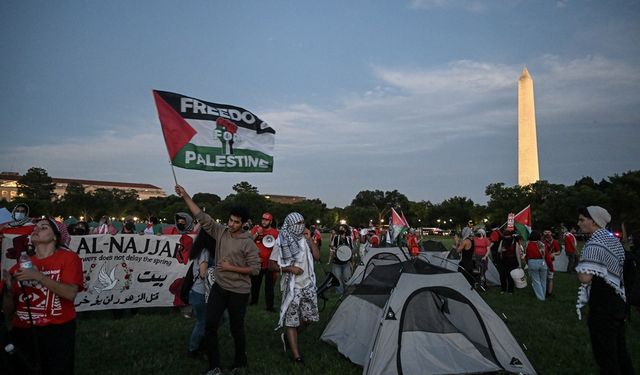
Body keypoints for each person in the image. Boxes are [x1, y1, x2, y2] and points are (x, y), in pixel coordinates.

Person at [175, 185, 260, 375]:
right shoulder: (220, 232)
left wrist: (232, 268)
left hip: (238, 292)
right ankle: (214, 367)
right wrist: (186, 196)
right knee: (210, 325)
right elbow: (201, 216)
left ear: (244, 223)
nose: (232, 224)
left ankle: (240, 362)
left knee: (236, 328)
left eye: (236, 222)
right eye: (230, 220)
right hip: (219, 288)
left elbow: (255, 269)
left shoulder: (248, 242)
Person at [2, 218, 84, 375]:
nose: (36, 230)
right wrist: (8, 290)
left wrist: (38, 276)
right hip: (23, 331)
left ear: (55, 237)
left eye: (44, 227)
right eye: (36, 227)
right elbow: (8, 310)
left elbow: (70, 293)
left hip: (57, 331)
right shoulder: (19, 266)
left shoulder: (69, 259)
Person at [575, 206, 634, 374]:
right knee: (620, 351)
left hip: (602, 306)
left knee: (606, 356)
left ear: (593, 221)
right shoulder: (613, 241)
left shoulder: (594, 243)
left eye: (582, 219)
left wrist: (580, 265)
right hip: (617, 301)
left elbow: (585, 277)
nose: (578, 223)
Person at [268, 214, 320, 363]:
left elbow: (316, 257)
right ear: (290, 224)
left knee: (309, 318)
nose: (301, 225)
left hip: (308, 284)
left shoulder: (305, 240)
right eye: (298, 222)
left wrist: (310, 239)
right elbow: (271, 266)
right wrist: (290, 269)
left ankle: (288, 337)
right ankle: (296, 356)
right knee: (291, 321)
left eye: (303, 222)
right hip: (292, 287)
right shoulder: (281, 242)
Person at [187, 229, 216, 358]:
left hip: (200, 292)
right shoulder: (205, 251)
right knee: (202, 322)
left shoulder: (201, 249)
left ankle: (202, 341)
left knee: (209, 321)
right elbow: (204, 274)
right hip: (201, 292)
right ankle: (193, 349)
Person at [250, 212, 279, 311]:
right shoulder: (255, 229)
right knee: (254, 284)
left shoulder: (275, 233)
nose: (264, 221)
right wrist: (257, 233)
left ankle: (269, 306)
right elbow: (248, 241)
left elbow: (278, 247)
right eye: (263, 219)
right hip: (257, 262)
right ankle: (254, 301)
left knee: (269, 286)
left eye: (266, 220)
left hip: (269, 263)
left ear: (270, 221)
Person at [523, 230, 549, 301]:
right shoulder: (542, 244)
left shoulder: (528, 244)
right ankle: (543, 295)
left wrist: (527, 263)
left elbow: (526, 255)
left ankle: (541, 298)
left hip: (532, 262)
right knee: (543, 280)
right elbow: (546, 255)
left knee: (536, 281)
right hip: (542, 262)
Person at [329, 225, 353, 295]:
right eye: (340, 228)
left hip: (346, 262)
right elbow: (331, 246)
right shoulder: (336, 238)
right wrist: (334, 250)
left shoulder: (349, 239)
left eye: (342, 228)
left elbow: (351, 250)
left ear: (346, 230)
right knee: (337, 278)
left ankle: (347, 293)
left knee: (347, 278)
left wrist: (350, 260)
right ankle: (339, 293)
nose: (341, 229)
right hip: (337, 262)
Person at [497, 230, 519, 294]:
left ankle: (504, 289)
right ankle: (509, 290)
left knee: (504, 276)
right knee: (508, 276)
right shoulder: (514, 241)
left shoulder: (503, 240)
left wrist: (502, 249)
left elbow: (498, 250)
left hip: (505, 260)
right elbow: (517, 253)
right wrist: (519, 263)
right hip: (511, 261)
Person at [542, 228, 560, 297]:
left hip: (551, 262)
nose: (547, 233)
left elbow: (558, 251)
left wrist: (554, 254)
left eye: (548, 232)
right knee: (543, 277)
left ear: (551, 233)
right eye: (545, 232)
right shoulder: (541, 241)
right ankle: (543, 291)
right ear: (543, 233)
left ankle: (549, 293)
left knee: (550, 278)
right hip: (542, 262)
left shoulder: (555, 242)